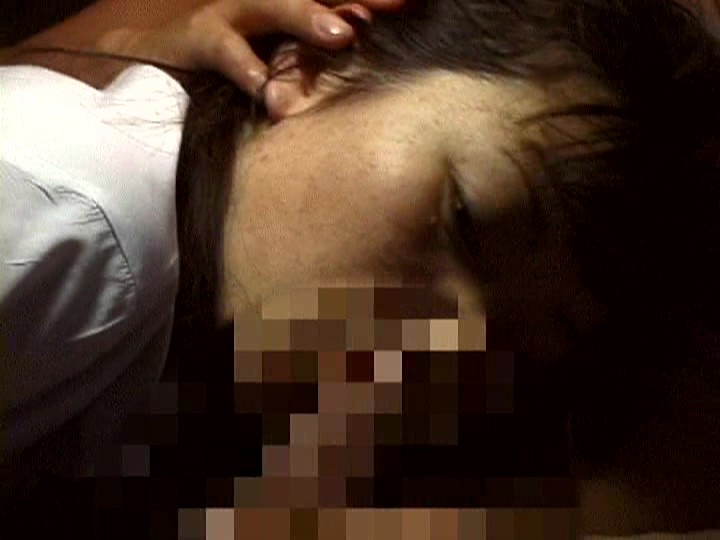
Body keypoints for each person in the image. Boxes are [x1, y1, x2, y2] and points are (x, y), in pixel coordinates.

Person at [1, 0, 718, 536]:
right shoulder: (83, 222)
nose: (457, 343)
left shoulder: (159, 337)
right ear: (318, 63)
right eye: (468, 221)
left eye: (513, 346)